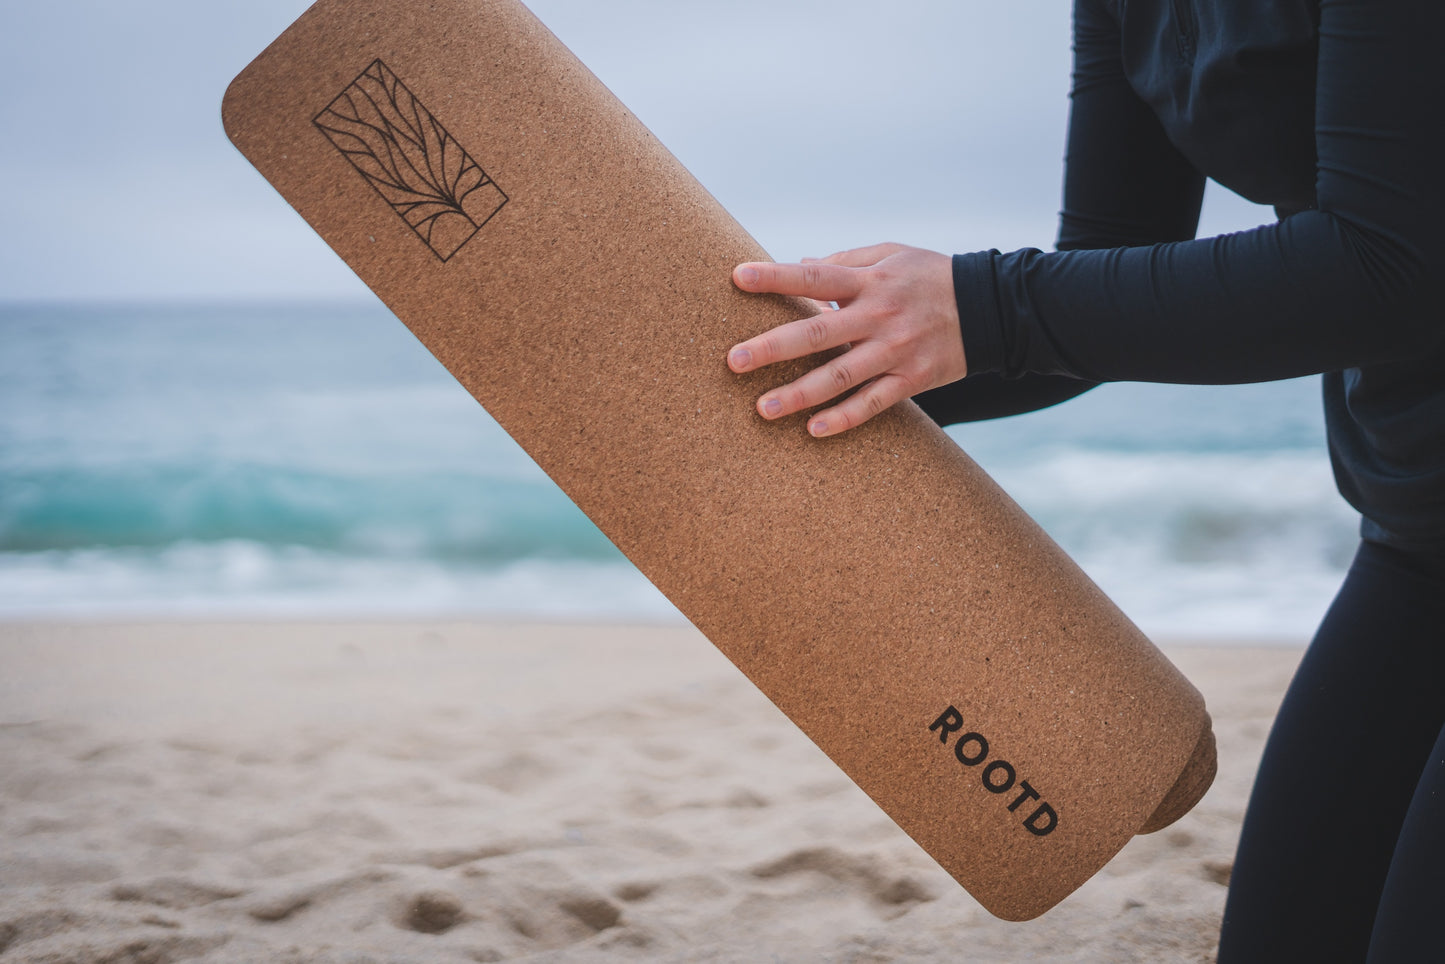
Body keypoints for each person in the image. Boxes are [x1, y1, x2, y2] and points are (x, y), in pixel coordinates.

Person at [723, 1, 1445, 961]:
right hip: (1415, 526)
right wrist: (791, 394)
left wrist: (979, 303)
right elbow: (1099, 270)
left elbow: (1387, 266)